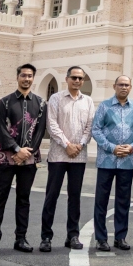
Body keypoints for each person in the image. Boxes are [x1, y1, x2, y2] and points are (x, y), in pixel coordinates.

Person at [0, 63, 46, 256]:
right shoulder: (5, 102)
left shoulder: (40, 103)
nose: (26, 79)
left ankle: (21, 238)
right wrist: (17, 149)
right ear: (17, 77)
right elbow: (1, 130)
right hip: (7, 157)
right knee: (0, 198)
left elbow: (39, 131)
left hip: (28, 159)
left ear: (33, 78)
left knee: (23, 199)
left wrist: (27, 153)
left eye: (30, 76)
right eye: (23, 75)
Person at [40, 66, 95, 252]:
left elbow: (90, 126)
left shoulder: (88, 101)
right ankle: (46, 237)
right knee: (52, 196)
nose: (77, 81)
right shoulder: (55, 98)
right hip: (58, 156)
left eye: (80, 78)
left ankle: (73, 235)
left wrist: (79, 144)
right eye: (74, 78)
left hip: (78, 157)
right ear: (67, 79)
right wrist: (67, 145)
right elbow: (52, 125)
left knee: (75, 198)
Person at [91, 75, 133, 252]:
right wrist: (112, 148)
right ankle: (101, 238)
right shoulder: (104, 106)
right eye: (120, 84)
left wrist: (132, 147)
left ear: (130, 87)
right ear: (114, 86)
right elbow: (96, 130)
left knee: (123, 201)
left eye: (126, 85)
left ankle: (120, 237)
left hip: (127, 161)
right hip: (106, 160)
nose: (123, 87)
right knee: (101, 201)